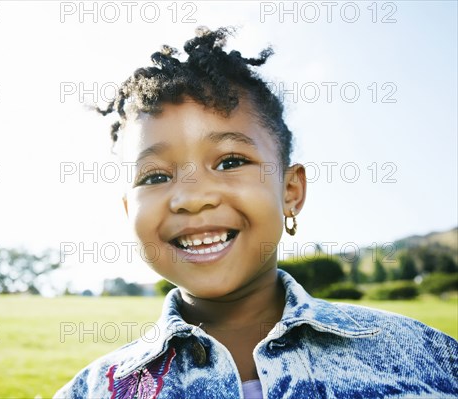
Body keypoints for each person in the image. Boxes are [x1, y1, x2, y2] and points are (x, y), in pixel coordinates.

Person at [54, 27, 458, 399]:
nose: (192, 198)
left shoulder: (426, 358)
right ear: (129, 209)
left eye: (230, 162)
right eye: (156, 176)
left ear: (290, 190)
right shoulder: (95, 390)